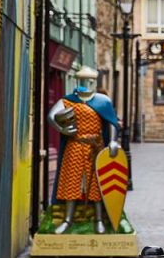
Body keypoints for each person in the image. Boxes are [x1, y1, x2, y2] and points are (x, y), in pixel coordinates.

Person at [48, 66, 120, 234]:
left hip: (96, 147)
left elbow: (112, 122)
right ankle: (68, 220)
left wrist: (113, 142)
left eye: (88, 81)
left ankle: (99, 219)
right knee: (72, 181)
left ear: (93, 82)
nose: (84, 83)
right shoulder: (68, 100)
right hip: (75, 145)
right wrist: (63, 130)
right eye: (81, 80)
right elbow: (52, 116)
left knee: (96, 182)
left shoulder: (102, 101)